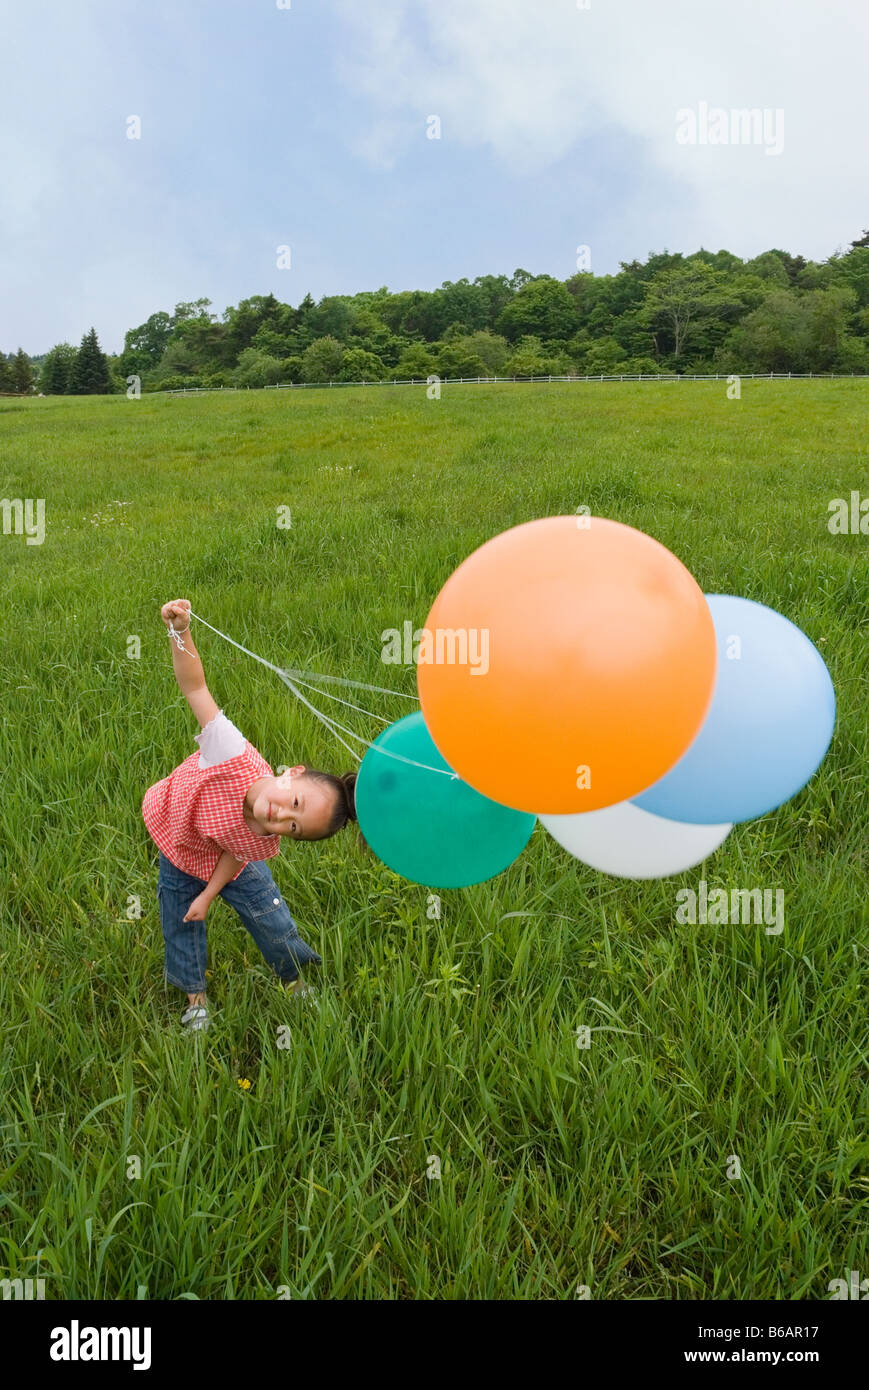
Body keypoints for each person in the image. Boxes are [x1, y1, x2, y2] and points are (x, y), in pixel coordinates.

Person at [142, 599, 356, 1031]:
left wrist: (211, 893)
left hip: (223, 855)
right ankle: (195, 1001)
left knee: (269, 912)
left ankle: (294, 980)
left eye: (293, 828)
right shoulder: (230, 751)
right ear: (289, 774)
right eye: (293, 803)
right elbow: (195, 689)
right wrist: (181, 633)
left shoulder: (262, 837)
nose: (280, 818)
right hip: (182, 844)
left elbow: (237, 853)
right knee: (181, 920)